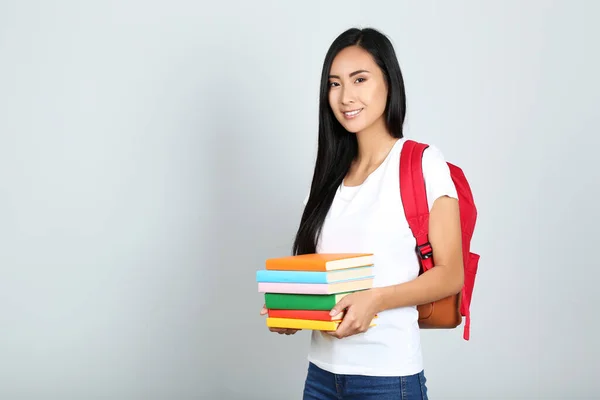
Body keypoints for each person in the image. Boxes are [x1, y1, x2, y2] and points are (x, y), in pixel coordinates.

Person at [260, 27, 464, 399]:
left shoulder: (422, 163)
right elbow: (324, 276)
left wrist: (376, 299)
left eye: (360, 79)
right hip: (321, 376)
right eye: (334, 84)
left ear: (389, 82)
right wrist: (292, 310)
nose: (345, 96)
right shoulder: (328, 175)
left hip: (388, 380)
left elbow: (451, 275)